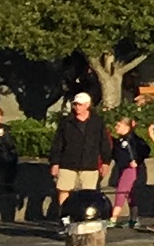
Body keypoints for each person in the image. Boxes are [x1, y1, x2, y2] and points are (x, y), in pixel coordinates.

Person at [47, 92, 114, 229]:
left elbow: (104, 143)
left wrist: (106, 162)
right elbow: (58, 143)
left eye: (80, 104)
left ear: (87, 105)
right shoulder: (66, 122)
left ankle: (85, 219)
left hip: (89, 164)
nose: (77, 107)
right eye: (75, 104)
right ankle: (64, 218)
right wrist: (55, 162)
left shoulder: (97, 122)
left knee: (88, 193)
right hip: (68, 162)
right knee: (64, 189)